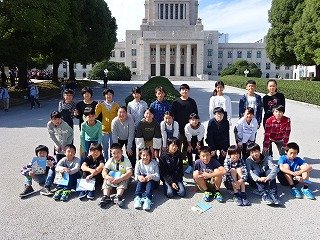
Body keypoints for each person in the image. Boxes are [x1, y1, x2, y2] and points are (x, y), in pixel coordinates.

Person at [171, 84, 198, 166]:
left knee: (187, 147)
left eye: (186, 90)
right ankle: (177, 161)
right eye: (183, 89)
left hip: (190, 129)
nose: (185, 91)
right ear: (180, 91)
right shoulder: (176, 102)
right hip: (179, 129)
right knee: (177, 145)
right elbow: (172, 115)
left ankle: (185, 160)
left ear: (188, 91)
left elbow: (196, 115)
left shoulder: (192, 102)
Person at [99, 143, 133, 208]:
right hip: (112, 178)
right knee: (105, 179)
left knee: (125, 178)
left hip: (122, 178)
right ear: (111, 153)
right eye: (114, 153)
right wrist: (107, 177)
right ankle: (106, 196)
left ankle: (118, 196)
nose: (116, 155)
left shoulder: (126, 160)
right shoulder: (110, 160)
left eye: (118, 152)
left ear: (122, 152)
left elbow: (130, 172)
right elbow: (104, 171)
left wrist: (121, 178)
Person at [262, 79, 286, 157]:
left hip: (279, 120)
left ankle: (282, 155)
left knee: (279, 137)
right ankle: (269, 156)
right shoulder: (265, 97)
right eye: (270, 86)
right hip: (268, 121)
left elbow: (283, 108)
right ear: (267, 87)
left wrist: (277, 115)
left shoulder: (280, 96)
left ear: (276, 87)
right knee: (268, 138)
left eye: (273, 86)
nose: (272, 87)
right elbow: (266, 110)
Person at [95, 88, 120, 160]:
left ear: (113, 95)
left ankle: (112, 161)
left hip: (114, 130)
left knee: (113, 147)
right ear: (104, 96)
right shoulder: (101, 105)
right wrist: (97, 107)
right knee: (105, 147)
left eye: (110, 94)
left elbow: (120, 116)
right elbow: (96, 116)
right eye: (107, 94)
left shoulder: (116, 105)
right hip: (104, 129)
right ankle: (105, 161)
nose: (109, 96)